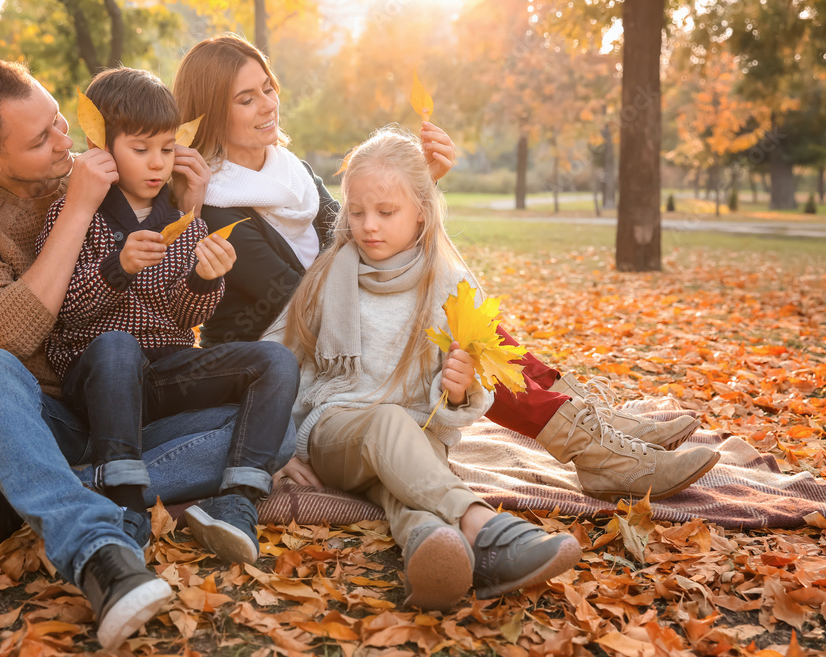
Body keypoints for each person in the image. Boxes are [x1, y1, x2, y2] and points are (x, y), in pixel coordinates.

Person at [172, 34, 720, 501]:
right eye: (247, 99)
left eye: (268, 87)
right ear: (212, 113)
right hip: (298, 358)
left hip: (343, 319)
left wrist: (419, 184)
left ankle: (586, 423)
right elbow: (300, 293)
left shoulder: (290, 173)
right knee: (450, 321)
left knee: (466, 317)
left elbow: (362, 237)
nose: (268, 104)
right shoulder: (214, 201)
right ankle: (589, 444)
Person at [0, 59, 282, 651]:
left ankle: (35, 489)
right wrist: (79, 209)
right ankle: (98, 552)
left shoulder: (118, 175)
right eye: (41, 140)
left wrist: (185, 205)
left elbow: (171, 300)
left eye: (60, 121)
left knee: (278, 433)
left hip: (118, 412)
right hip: (21, 415)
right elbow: (6, 337)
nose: (65, 143)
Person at [263, 127, 582, 611]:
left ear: (422, 211)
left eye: (386, 212)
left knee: (406, 490)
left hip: (421, 435)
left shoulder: (451, 284)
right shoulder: (330, 274)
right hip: (337, 432)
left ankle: (433, 549)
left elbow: (464, 402)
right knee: (388, 422)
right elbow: (272, 359)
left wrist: (457, 393)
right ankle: (483, 524)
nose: (369, 225)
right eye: (357, 211)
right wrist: (277, 445)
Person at [35, 66, 299, 564]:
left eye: (166, 148)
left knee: (275, 363)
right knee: (118, 345)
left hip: (166, 370)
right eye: (141, 150)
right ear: (103, 147)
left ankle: (237, 501)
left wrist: (204, 278)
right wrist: (118, 267)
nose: (157, 164)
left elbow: (186, 318)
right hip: (99, 378)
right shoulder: (74, 214)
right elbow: (64, 312)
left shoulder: (180, 220)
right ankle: (126, 503)